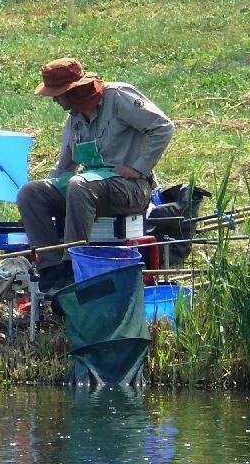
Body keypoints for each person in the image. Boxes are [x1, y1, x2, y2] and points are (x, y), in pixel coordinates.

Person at [16, 57, 174, 293]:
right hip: (89, 190)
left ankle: (72, 264)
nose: (54, 100)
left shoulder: (118, 97)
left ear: (74, 89)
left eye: (57, 94)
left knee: (79, 185)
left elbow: (163, 127)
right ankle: (50, 268)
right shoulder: (74, 119)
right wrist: (36, 208)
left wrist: (139, 167)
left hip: (129, 188)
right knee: (31, 192)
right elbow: (64, 167)